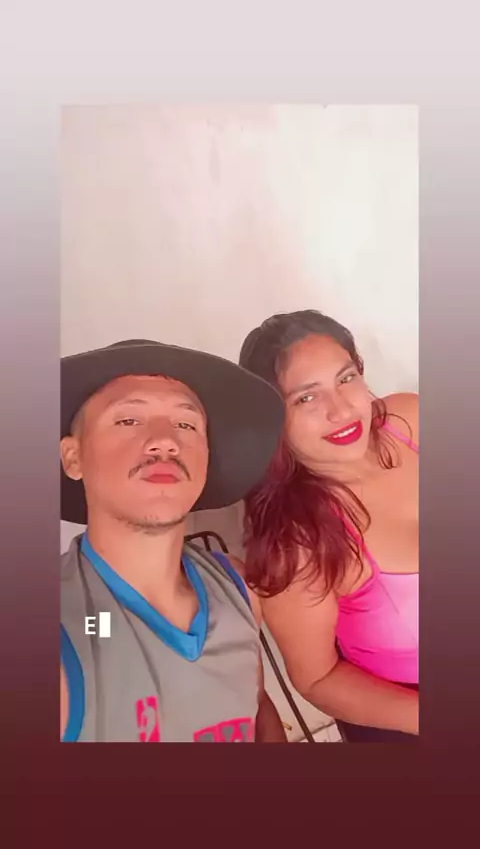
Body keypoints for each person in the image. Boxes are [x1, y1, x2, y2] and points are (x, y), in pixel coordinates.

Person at [60, 338, 287, 742]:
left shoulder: (237, 589)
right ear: (73, 457)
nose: (165, 440)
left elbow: (257, 707)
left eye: (186, 424)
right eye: (128, 420)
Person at [238, 310, 419, 742]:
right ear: (272, 418)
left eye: (346, 378)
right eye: (306, 398)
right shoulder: (295, 544)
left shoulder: (409, 420)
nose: (340, 410)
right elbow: (316, 678)